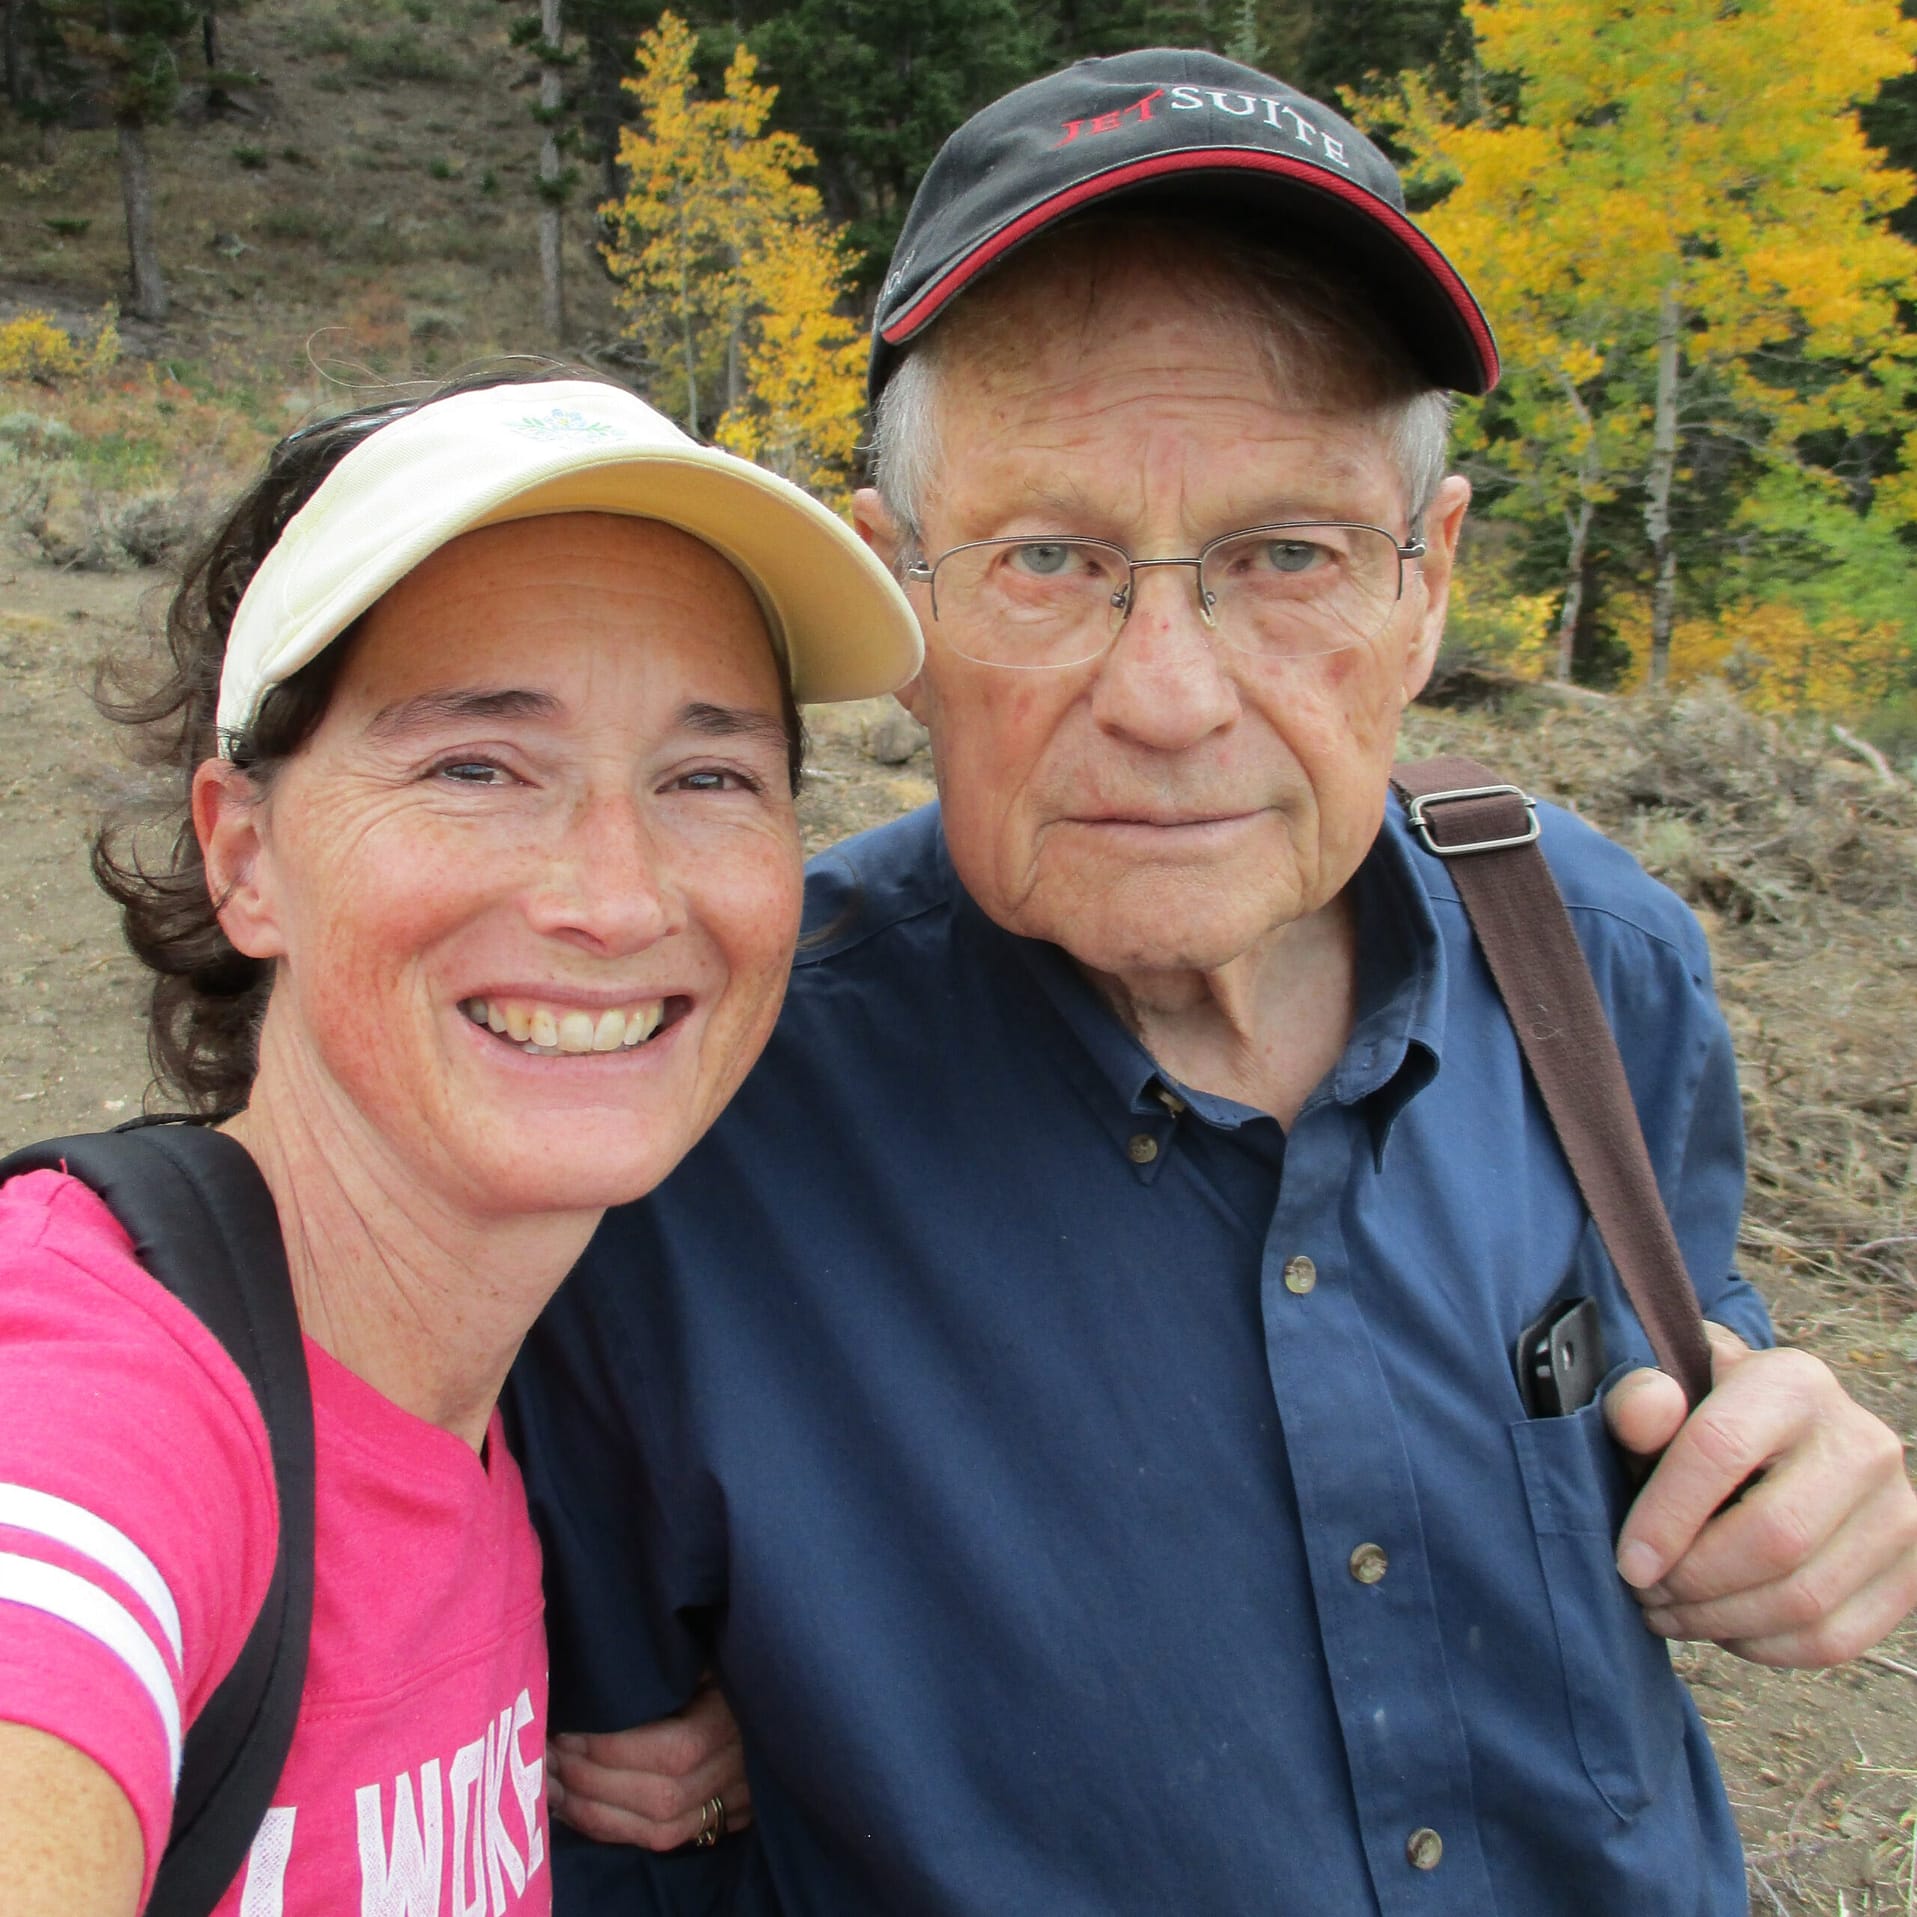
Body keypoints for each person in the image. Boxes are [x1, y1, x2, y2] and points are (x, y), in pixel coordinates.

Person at [509, 51, 1917, 1916]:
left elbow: (1694, 1356)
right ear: (897, 599)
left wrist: (1788, 1485)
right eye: (1047, 558)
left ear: (1426, 586)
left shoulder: (1592, 957)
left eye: (1285, 556)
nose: (1166, 693)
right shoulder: (684, 1109)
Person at [0, 368, 921, 1915]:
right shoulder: (101, 1388)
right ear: (246, 856)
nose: (617, 895)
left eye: (707, 776)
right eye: (476, 767)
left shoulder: (488, 1432)